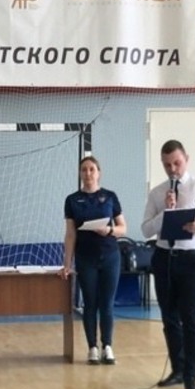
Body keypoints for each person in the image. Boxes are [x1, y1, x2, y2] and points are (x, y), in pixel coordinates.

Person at [141, 138, 195, 389]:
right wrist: (165, 213)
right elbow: (145, 229)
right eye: (167, 165)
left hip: (191, 258)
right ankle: (177, 369)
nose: (173, 169)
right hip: (164, 257)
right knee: (169, 318)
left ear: (186, 159)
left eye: (177, 163)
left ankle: (191, 377)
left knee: (190, 319)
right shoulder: (157, 193)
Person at [61, 155, 127, 363]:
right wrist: (67, 264)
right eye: (84, 170)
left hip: (110, 256)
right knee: (90, 303)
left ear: (99, 173)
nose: (88, 173)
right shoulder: (72, 200)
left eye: (92, 169)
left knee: (107, 303)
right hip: (85, 258)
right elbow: (70, 234)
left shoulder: (110, 197)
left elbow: (123, 228)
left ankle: (107, 345)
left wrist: (109, 230)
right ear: (80, 174)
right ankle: (92, 348)